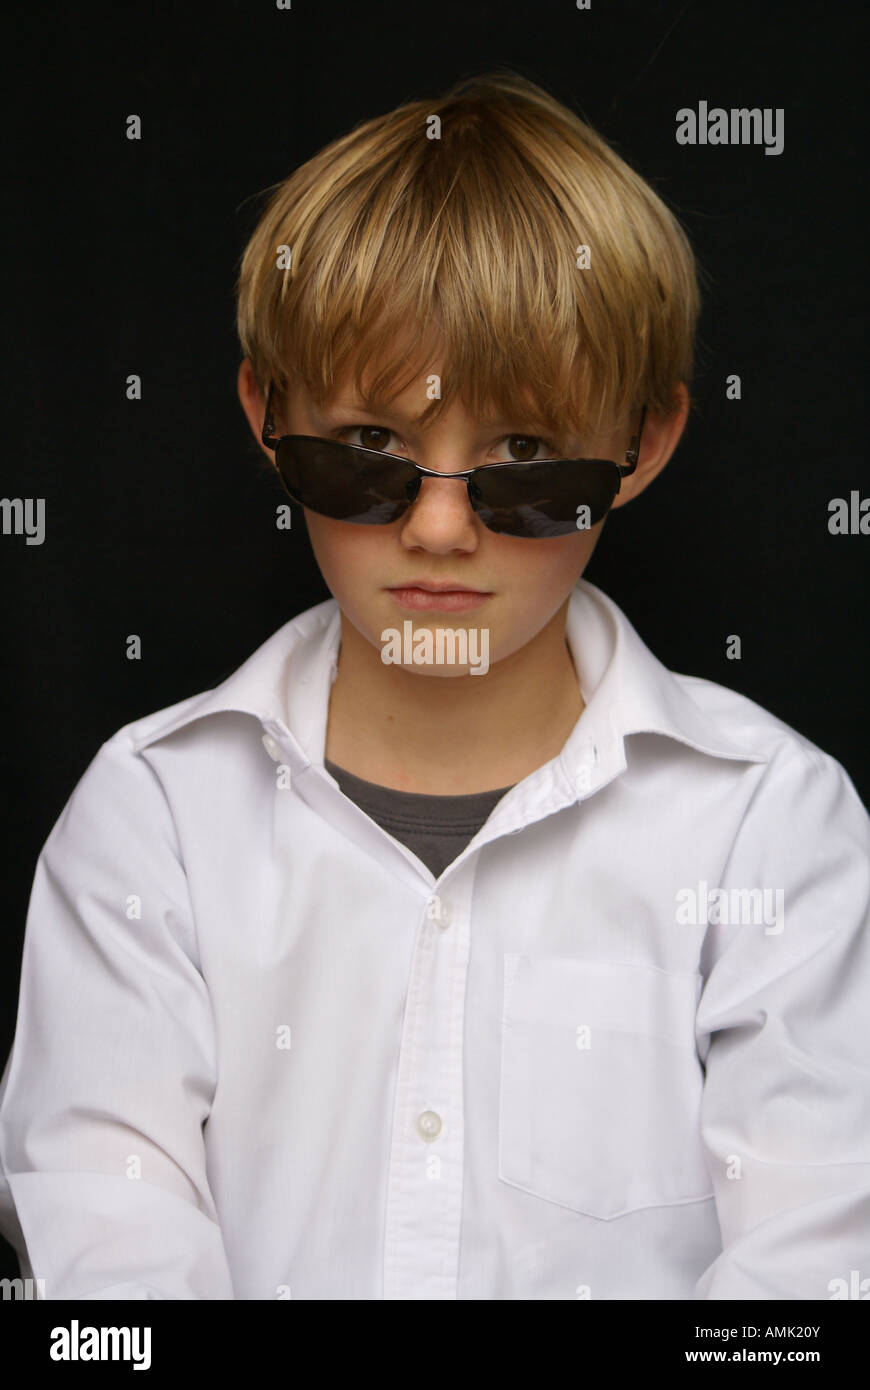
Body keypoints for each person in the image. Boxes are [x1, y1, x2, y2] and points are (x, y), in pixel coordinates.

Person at [0, 71, 867, 1301]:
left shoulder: (772, 825)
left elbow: (812, 1270)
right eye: (366, 454)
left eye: (522, 460)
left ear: (645, 444)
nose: (444, 528)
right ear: (266, 419)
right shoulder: (154, 820)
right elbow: (108, 1258)